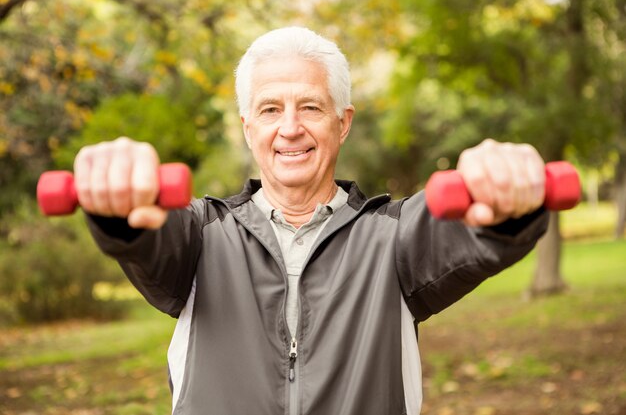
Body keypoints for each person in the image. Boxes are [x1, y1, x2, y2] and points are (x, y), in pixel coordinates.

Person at [76, 27, 548, 415]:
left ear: (342, 123)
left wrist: (502, 193)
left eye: (310, 107)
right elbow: (149, 238)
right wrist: (121, 203)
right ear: (248, 128)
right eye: (270, 109)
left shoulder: (395, 236)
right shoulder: (198, 236)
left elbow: (465, 231)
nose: (289, 128)